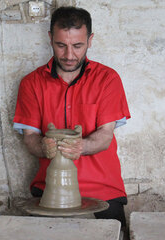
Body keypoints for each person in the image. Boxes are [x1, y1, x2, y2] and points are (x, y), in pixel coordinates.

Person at [13, 6, 131, 228]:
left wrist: (81, 146)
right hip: (49, 189)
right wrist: (42, 147)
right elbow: (29, 137)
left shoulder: (107, 79)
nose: (69, 55)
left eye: (77, 46)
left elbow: (105, 135)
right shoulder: (31, 83)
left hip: (103, 190)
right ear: (50, 38)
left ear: (90, 40)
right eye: (61, 45)